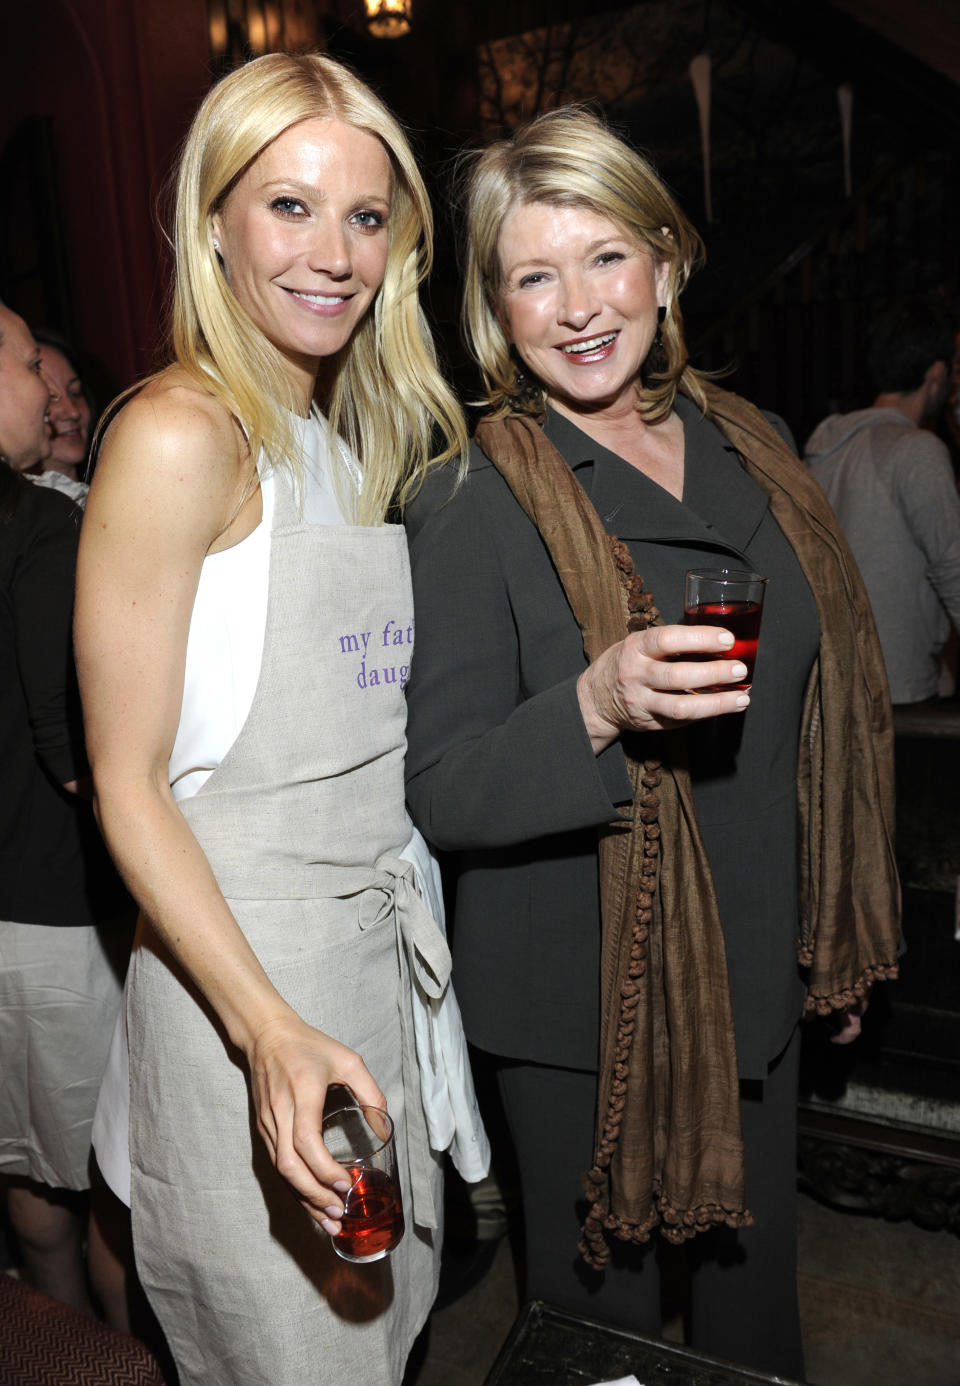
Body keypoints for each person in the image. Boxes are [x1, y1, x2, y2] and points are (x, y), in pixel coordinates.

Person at [403, 107, 901, 1381]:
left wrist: (827, 940)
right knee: (603, 1345)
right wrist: (596, 701)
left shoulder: (762, 447)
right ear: (493, 308)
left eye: (607, 256)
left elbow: (814, 726)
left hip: (759, 973)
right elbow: (442, 786)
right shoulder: (471, 495)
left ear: (667, 264)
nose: (578, 305)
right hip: (586, 1006)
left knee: (754, 1329)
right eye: (532, 274)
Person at [74, 53, 475, 1386]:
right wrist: (266, 1027)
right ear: (214, 223)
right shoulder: (178, 433)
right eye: (289, 206)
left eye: (367, 215)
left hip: (368, 956)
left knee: (390, 1331)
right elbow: (125, 782)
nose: (335, 252)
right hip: (239, 977)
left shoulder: (348, 435)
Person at [0, 302, 128, 1313]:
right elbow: (78, 749)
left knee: (32, 1170)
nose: (50, 390)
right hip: (53, 916)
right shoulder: (40, 525)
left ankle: (59, 1348)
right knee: (115, 1186)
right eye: (29, 365)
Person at [805, 304, 960, 705]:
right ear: (937, 374)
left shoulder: (823, 447)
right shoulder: (917, 450)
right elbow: (954, 567)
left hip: (837, 683)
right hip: (898, 685)